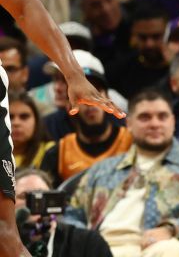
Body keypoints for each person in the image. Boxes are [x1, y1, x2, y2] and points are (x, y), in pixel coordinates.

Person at [64, 89, 179, 257]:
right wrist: (86, 241)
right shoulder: (101, 170)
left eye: (162, 117)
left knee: (171, 251)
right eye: (145, 117)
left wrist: (172, 228)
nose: (154, 124)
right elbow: (72, 216)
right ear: (129, 124)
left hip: (157, 248)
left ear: (173, 122)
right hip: (100, 249)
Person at [39, 50, 132, 183]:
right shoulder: (53, 137)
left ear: (108, 96)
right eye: (57, 79)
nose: (57, 88)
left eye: (94, 92)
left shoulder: (131, 137)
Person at [14, 167, 112, 257]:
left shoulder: (89, 243)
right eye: (24, 196)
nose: (36, 202)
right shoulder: (4, 241)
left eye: (43, 195)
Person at [11, 93, 53, 168]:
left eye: (24, 117)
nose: (16, 123)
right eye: (10, 117)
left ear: (36, 121)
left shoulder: (53, 151)